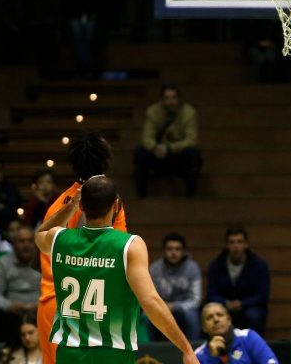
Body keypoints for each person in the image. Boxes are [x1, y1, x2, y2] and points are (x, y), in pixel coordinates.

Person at [34, 176, 197, 364]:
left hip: (68, 353)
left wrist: (72, 205)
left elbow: (40, 234)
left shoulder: (59, 239)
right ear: (116, 205)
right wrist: (186, 348)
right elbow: (150, 301)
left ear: (82, 206)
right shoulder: (129, 245)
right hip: (113, 353)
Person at [35, 131, 127, 364]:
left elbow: (42, 239)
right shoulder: (110, 203)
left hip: (53, 305)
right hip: (87, 306)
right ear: (106, 161)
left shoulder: (59, 204)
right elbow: (114, 254)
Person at [133, 85, 202, 198]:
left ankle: (191, 196)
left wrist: (171, 148)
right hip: (158, 155)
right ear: (162, 99)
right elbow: (147, 138)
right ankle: (141, 195)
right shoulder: (153, 112)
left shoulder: (189, 113)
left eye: (174, 97)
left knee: (193, 154)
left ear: (179, 99)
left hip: (178, 155)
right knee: (140, 153)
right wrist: (155, 147)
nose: (171, 102)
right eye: (167, 98)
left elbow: (191, 139)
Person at [205, 227, 269, 336]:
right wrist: (226, 303)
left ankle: (254, 348)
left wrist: (242, 303)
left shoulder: (259, 265)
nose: (236, 246)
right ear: (226, 245)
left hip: (250, 307)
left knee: (253, 315)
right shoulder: (216, 265)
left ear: (246, 244)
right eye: (232, 242)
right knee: (213, 313)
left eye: (240, 242)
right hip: (224, 305)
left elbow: (262, 295)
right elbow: (211, 294)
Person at [0, 225, 41, 343]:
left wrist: (39, 305)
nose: (26, 245)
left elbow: (54, 291)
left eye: (30, 241)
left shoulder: (45, 263)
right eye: (21, 241)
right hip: (11, 314)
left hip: (39, 311)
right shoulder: (2, 263)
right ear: (14, 244)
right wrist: (9, 306)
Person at [149, 233, 202, 341]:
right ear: (164, 251)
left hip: (185, 309)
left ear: (183, 251)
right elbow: (149, 295)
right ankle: (149, 352)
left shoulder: (193, 268)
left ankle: (195, 350)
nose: (173, 253)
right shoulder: (155, 268)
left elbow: (196, 300)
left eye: (177, 249)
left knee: (192, 317)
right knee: (146, 317)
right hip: (160, 307)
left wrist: (175, 306)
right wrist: (162, 306)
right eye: (170, 249)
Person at [194, 303, 278, 364]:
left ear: (229, 320)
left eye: (220, 315)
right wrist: (212, 357)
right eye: (209, 317)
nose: (216, 319)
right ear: (204, 327)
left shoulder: (248, 338)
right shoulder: (198, 356)